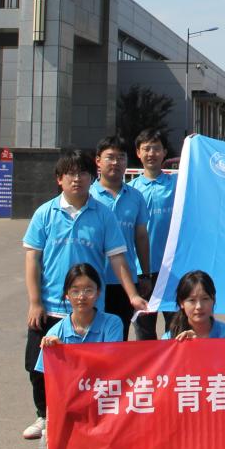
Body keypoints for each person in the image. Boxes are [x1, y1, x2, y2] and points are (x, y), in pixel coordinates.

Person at [21, 149, 147, 441]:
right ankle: (44, 416)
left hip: (89, 309)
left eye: (82, 173)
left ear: (92, 177)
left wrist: (132, 295)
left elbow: (117, 258)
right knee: (37, 365)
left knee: (92, 368)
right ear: (59, 179)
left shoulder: (103, 215)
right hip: (50, 307)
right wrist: (35, 302)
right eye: (70, 174)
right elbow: (32, 259)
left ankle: (89, 416)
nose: (76, 179)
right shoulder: (45, 213)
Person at [90, 134, 151, 341]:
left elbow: (141, 237)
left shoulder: (135, 197)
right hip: (92, 280)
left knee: (118, 337)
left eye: (121, 157)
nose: (116, 162)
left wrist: (145, 275)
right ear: (98, 160)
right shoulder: (88, 196)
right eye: (110, 157)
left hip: (125, 281)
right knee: (90, 337)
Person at [34, 263, 126, 372]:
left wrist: (65, 350)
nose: (81, 297)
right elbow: (50, 376)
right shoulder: (55, 333)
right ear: (67, 295)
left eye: (88, 290)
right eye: (75, 291)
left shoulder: (113, 323)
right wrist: (51, 347)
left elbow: (112, 361)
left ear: (98, 293)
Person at [130, 129, 177, 341]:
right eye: (146, 149)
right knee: (144, 330)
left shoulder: (177, 185)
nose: (151, 153)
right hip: (141, 271)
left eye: (156, 148)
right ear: (138, 153)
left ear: (165, 152)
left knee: (175, 328)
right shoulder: (130, 190)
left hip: (172, 270)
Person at [162, 270, 225, 340]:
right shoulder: (169, 339)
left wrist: (198, 345)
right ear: (181, 303)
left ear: (213, 299)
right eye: (192, 300)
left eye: (205, 299)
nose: (199, 306)